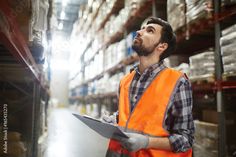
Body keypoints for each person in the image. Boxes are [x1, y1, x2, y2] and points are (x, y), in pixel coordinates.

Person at [103, 17, 195, 157]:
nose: (139, 32)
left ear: (161, 46)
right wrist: (113, 120)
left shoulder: (177, 81)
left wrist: (147, 142)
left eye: (149, 31)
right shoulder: (125, 80)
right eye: (142, 28)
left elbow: (185, 139)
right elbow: (131, 115)